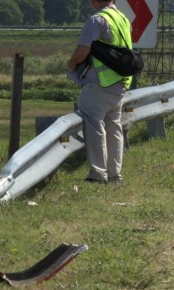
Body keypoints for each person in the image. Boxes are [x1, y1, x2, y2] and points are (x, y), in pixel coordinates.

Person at [67, 0, 133, 184]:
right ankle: (114, 174)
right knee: (114, 128)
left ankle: (98, 173)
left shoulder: (97, 20)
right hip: (120, 83)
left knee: (94, 125)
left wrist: (71, 64)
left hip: (100, 83)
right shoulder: (122, 18)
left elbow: (82, 51)